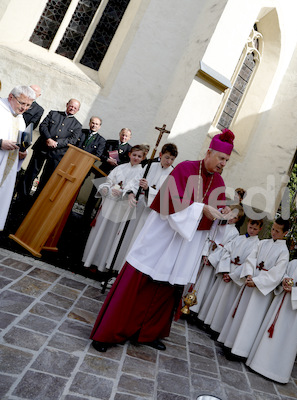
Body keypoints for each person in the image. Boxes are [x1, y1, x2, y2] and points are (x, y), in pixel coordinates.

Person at [90, 129, 235, 353]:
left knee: (168, 288)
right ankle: (109, 332)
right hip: (163, 235)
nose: (223, 164)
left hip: (187, 243)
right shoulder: (185, 168)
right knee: (138, 281)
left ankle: (148, 332)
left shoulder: (219, 181)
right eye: (221, 158)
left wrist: (222, 213)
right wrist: (200, 209)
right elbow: (168, 201)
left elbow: (215, 210)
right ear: (209, 153)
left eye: (227, 160)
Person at [246, 237, 297, 383]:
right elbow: (283, 274)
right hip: (280, 303)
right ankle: (258, 363)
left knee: (285, 338)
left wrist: (294, 291)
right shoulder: (294, 263)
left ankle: (276, 372)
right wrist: (284, 281)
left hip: (294, 311)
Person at [217, 217, 290, 359]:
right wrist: (249, 274)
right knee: (240, 314)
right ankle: (230, 342)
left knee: (251, 319)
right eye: (273, 229)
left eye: (277, 231)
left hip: (260, 292)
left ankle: (240, 351)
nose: (274, 233)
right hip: (250, 282)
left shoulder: (284, 252)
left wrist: (257, 281)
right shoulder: (262, 243)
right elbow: (251, 259)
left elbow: (277, 273)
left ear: (285, 233)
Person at [108, 143, 178, 274]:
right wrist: (130, 194)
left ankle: (124, 273)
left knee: (136, 240)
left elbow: (166, 196)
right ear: (160, 155)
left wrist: (148, 189)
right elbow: (134, 182)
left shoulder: (172, 174)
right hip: (136, 205)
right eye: (167, 157)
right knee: (125, 236)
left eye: (172, 159)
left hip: (149, 213)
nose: (169, 161)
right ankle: (114, 269)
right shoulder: (150, 166)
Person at [81, 144, 148, 273]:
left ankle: (104, 264)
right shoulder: (120, 167)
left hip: (122, 209)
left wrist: (124, 193)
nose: (136, 158)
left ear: (143, 158)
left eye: (139, 156)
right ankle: (91, 260)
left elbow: (135, 189)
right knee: (100, 231)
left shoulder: (142, 172)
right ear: (129, 154)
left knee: (111, 235)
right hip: (109, 204)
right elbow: (109, 181)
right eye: (134, 155)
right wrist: (107, 187)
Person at [200, 218, 263, 335]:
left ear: (260, 229)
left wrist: (232, 275)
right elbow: (226, 252)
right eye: (250, 227)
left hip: (236, 276)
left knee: (226, 302)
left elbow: (249, 263)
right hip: (227, 269)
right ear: (247, 224)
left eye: (255, 229)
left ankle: (217, 328)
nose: (252, 230)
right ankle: (207, 321)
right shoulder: (238, 239)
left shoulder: (257, 245)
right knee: (217, 298)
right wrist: (225, 269)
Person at [187, 204, 244, 319]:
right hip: (204, 254)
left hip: (213, 261)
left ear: (238, 220)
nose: (231, 218)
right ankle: (185, 303)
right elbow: (207, 236)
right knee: (193, 279)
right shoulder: (218, 223)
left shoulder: (235, 233)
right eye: (231, 214)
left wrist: (212, 258)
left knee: (203, 285)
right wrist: (205, 253)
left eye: (235, 217)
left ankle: (194, 310)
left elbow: (227, 249)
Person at [21, 98, 82, 197]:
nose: (72, 108)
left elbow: (72, 140)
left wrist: (57, 143)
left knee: (46, 179)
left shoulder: (77, 125)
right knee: (31, 173)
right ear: (67, 104)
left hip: (56, 154)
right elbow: (43, 126)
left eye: (75, 108)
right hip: (42, 148)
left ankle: (35, 202)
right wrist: (48, 138)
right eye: (71, 106)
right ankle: (21, 198)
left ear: (77, 110)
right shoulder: (54, 113)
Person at [0, 86, 35, 231]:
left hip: (6, 170)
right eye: (22, 103)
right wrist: (0, 143)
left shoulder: (21, 120)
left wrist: (22, 154)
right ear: (10, 97)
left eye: (28, 105)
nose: (24, 108)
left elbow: (21, 144)